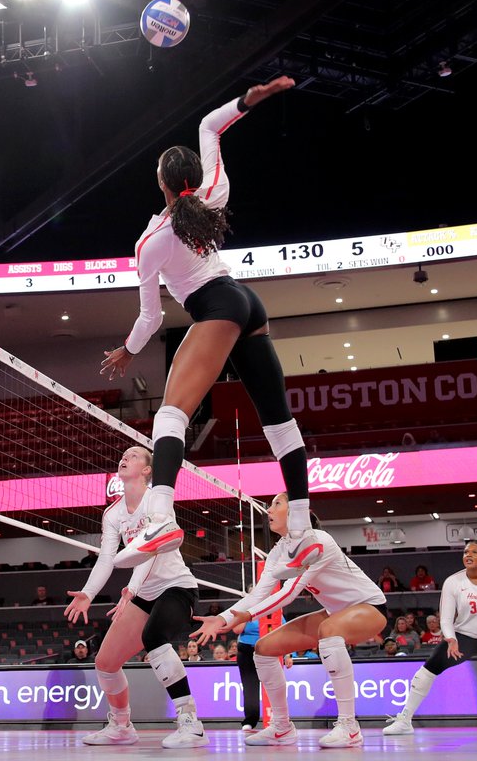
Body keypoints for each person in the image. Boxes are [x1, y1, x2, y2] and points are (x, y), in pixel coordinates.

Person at [99, 77, 318, 581]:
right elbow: (209, 125)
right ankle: (302, 528)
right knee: (279, 422)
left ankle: (159, 517)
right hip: (247, 301)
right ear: (192, 177)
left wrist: (128, 352)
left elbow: (151, 318)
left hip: (216, 306)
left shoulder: (150, 239)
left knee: (171, 413)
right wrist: (250, 99)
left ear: (160, 182)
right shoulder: (214, 192)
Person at [191, 492, 388, 749]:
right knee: (262, 648)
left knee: (327, 630)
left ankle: (350, 727)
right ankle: (282, 727)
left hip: (370, 607)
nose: (269, 509)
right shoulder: (278, 551)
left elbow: (289, 592)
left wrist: (249, 616)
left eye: (276, 504)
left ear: (295, 512)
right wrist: (221, 618)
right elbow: (258, 593)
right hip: (334, 611)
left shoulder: (319, 541)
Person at [63, 446, 206, 748]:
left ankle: (190, 721)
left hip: (176, 587)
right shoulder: (113, 513)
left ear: (147, 470)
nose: (124, 457)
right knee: (105, 662)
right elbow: (106, 559)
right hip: (143, 593)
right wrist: (88, 594)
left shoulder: (157, 500)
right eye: (123, 455)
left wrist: (132, 589)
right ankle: (121, 725)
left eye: (134, 455)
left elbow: (154, 550)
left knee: (154, 635)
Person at [383, 541, 477, 736]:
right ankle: (405, 719)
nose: (468, 554)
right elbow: (447, 618)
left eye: (474, 552)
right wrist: (450, 638)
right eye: (466, 551)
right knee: (430, 666)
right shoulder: (452, 582)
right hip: (463, 635)